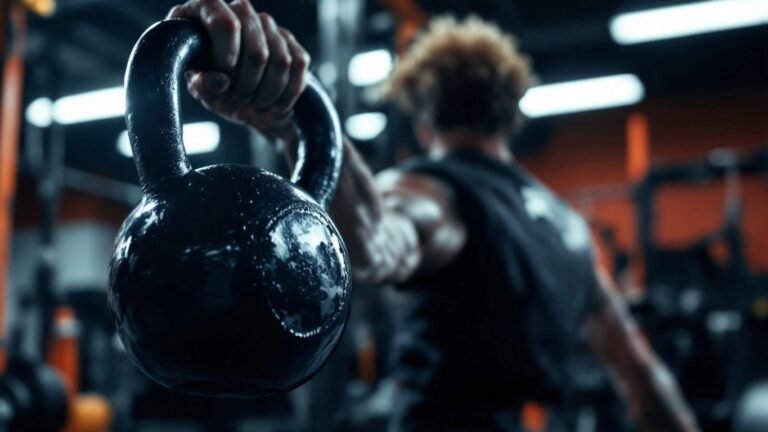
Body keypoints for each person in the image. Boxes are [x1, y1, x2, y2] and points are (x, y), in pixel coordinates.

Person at [167, 1, 700, 431]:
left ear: (422, 117)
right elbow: (642, 373)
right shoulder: (569, 227)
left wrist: (295, 123)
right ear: (510, 113)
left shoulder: (433, 192)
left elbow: (377, 245)